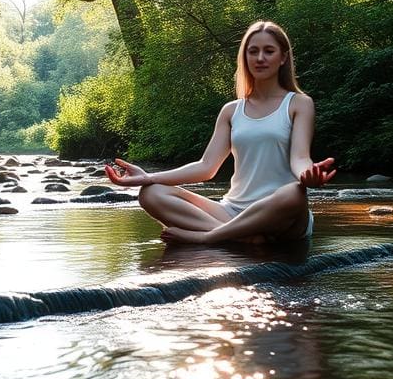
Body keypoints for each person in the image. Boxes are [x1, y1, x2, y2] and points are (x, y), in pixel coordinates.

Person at [105, 21, 335, 244]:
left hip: (280, 215)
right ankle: (242, 237)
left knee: (295, 193)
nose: (260, 58)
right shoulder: (231, 110)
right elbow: (206, 167)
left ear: (283, 57)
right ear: (245, 58)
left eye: (269, 51)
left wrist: (308, 175)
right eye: (253, 51)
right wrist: (147, 177)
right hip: (233, 211)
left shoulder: (299, 103)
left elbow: (300, 157)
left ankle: (208, 236)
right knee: (151, 194)